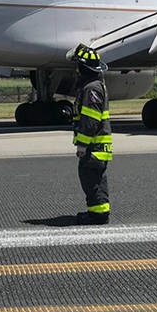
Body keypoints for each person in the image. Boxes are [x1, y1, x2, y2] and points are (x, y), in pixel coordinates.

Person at [68, 44, 112, 225]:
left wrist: (82, 145)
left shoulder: (91, 89)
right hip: (98, 146)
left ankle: (98, 215)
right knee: (95, 179)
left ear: (82, 67)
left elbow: (90, 120)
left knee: (90, 179)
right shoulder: (94, 86)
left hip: (94, 146)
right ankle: (98, 212)